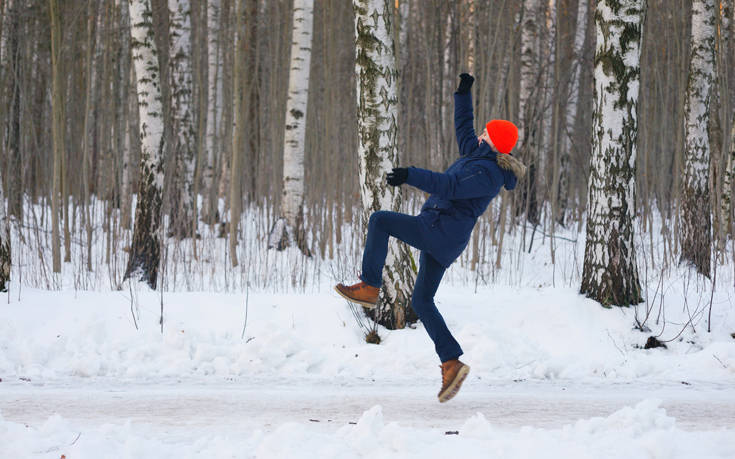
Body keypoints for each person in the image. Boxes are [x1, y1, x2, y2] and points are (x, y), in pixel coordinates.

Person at [335, 73, 526, 403]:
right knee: (422, 301)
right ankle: (451, 363)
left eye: (486, 132)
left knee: (380, 221)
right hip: (443, 236)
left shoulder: (488, 174)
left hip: (438, 231)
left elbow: (450, 187)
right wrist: (462, 95)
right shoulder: (477, 155)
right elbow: (464, 130)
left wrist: (411, 174)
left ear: (494, 142)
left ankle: (369, 286)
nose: (480, 133)